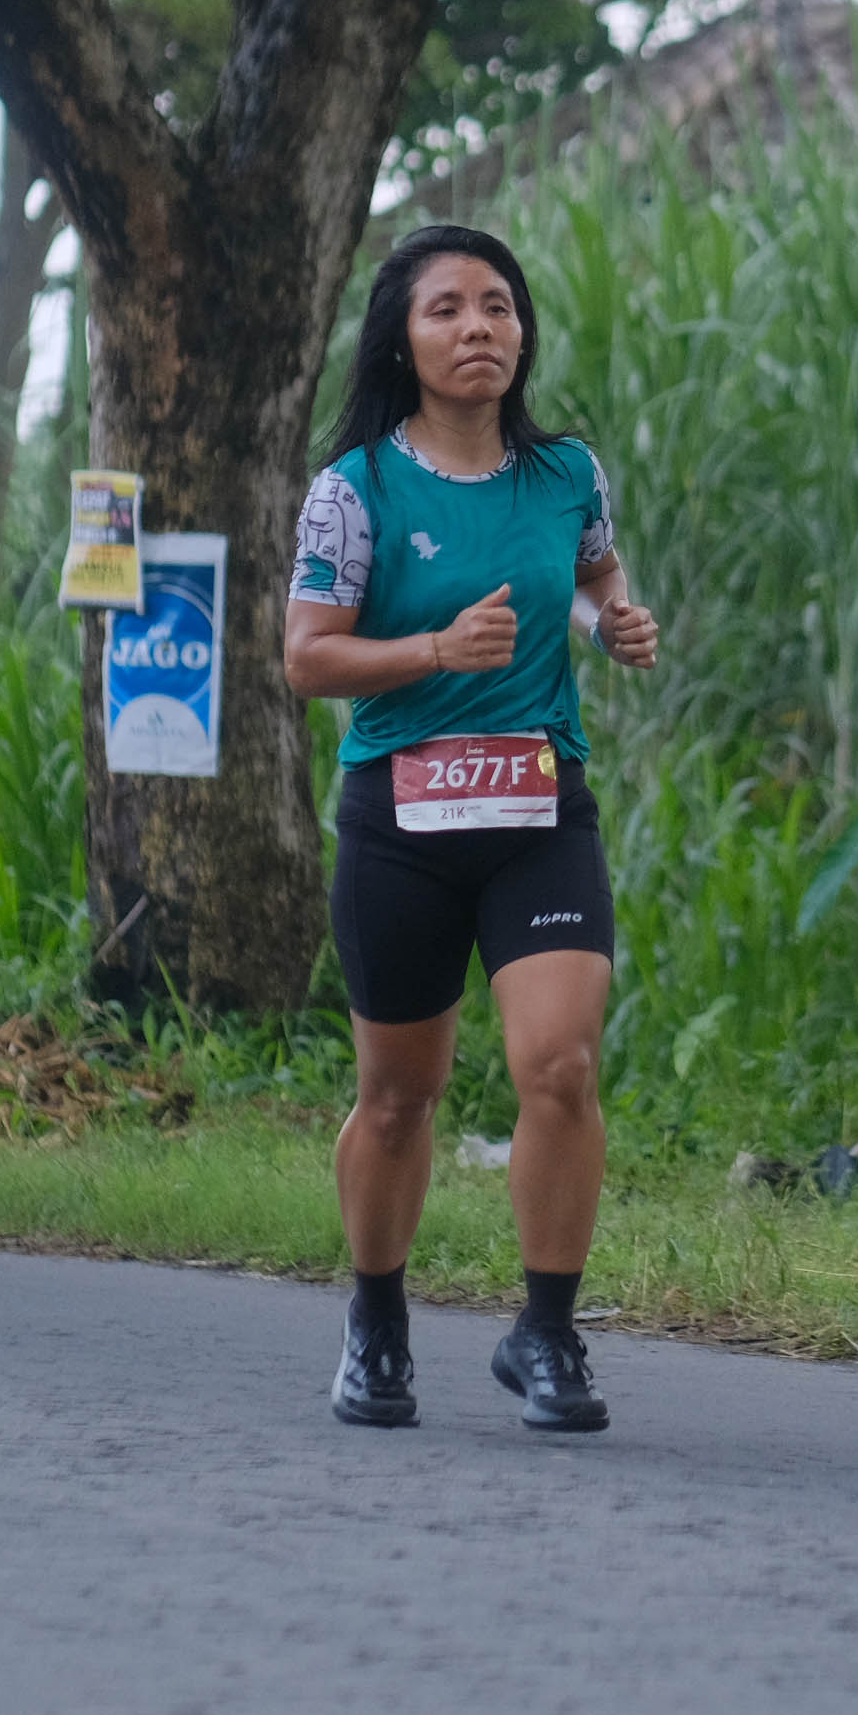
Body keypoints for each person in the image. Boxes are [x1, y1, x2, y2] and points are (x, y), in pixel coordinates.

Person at [286, 224, 661, 1433]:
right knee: (401, 1094)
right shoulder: (354, 490)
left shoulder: (567, 474)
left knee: (561, 1062)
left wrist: (613, 623)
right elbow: (308, 658)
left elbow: (594, 577)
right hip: (400, 820)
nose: (478, 327)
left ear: (523, 330)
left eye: (497, 305)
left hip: (538, 808)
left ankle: (546, 1332)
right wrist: (436, 651)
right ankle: (376, 1321)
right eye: (445, 308)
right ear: (402, 339)